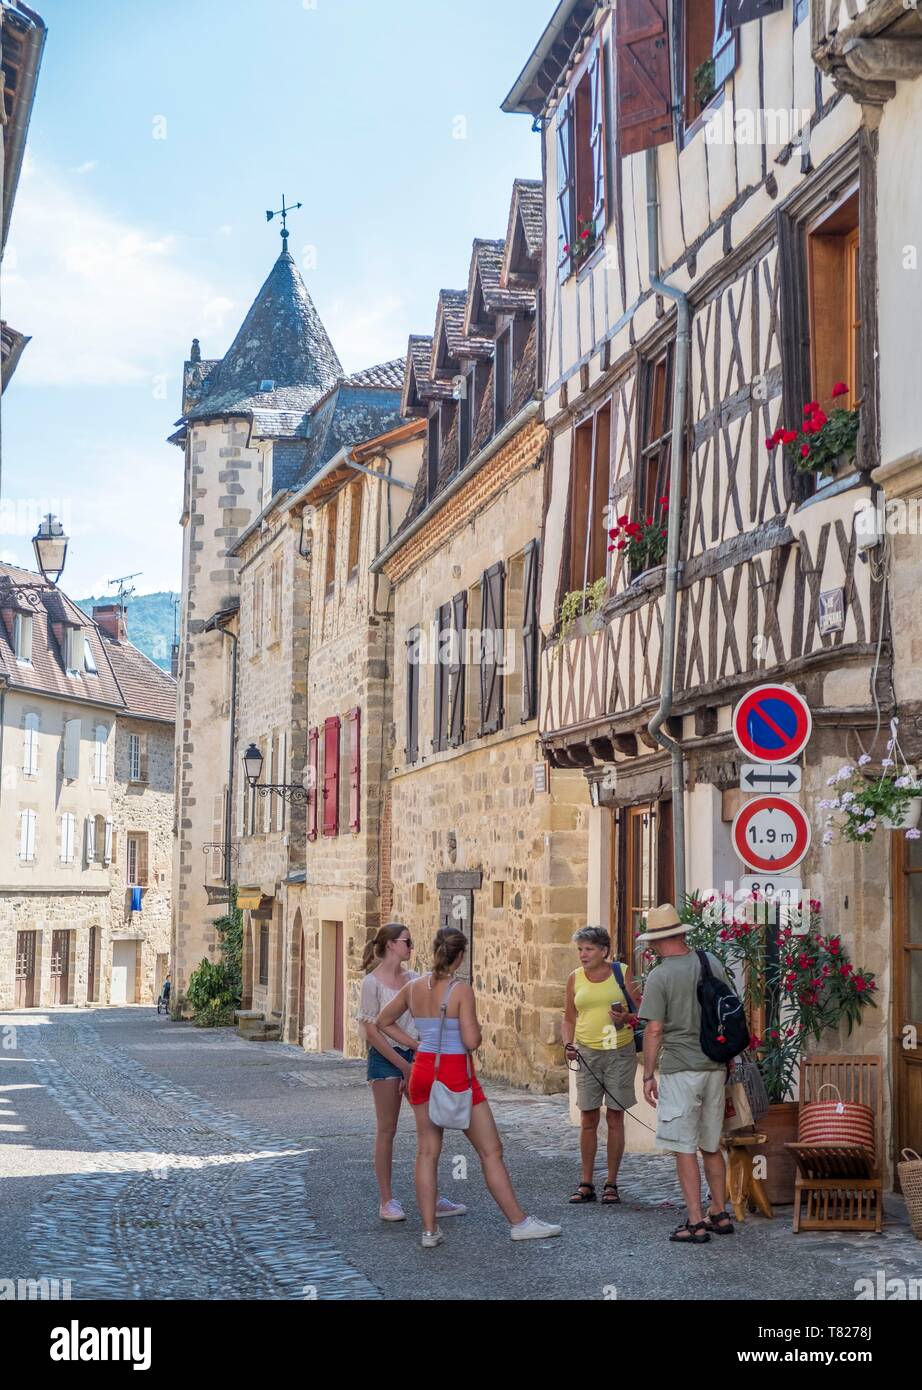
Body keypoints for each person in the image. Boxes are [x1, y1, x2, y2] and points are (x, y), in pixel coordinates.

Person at [376, 928, 562, 1248]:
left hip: (423, 1072)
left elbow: (383, 1020)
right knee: (491, 1151)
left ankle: (430, 1231)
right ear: (460, 956)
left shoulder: (413, 987)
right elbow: (471, 1041)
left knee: (427, 1152)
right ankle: (519, 1222)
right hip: (454, 1073)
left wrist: (416, 1044)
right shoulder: (461, 990)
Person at [637, 903, 735, 1244]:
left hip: (681, 1068)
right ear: (681, 933)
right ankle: (720, 1213)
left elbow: (654, 1030)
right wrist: (729, 1059)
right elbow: (730, 1011)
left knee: (683, 1146)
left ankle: (695, 1221)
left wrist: (648, 1074)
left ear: (656, 942)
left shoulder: (659, 976)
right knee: (711, 1144)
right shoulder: (711, 962)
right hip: (714, 1066)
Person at [357, 923, 466, 1225]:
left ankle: (433, 1194)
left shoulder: (415, 979)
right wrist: (402, 1063)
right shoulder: (371, 983)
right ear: (391, 944)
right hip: (385, 1058)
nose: (411, 947)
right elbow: (373, 1030)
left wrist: (417, 1056)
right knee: (387, 1130)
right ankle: (386, 1199)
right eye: (407, 941)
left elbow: (423, 1019)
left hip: (417, 1056)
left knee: (430, 1128)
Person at [562, 926, 640, 1205]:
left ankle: (611, 1183)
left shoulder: (622, 972)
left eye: (589, 949)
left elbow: (639, 1013)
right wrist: (568, 1044)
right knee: (588, 1118)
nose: (583, 954)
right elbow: (569, 1017)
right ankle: (586, 1183)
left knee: (615, 1116)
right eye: (580, 949)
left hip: (619, 1051)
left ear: (604, 951)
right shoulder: (575, 978)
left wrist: (624, 1018)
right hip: (587, 1053)